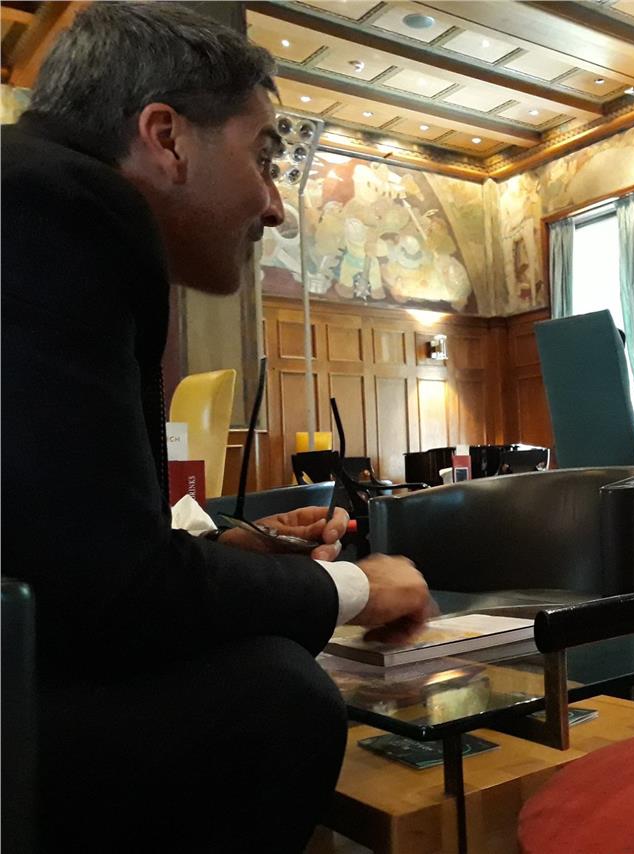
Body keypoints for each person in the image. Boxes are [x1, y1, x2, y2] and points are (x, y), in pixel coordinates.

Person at [1, 5, 434, 851]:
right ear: (167, 138)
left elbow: (51, 544)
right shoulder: (57, 207)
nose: (275, 209)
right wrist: (355, 589)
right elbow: (109, 594)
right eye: (263, 158)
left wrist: (227, 550)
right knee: (275, 698)